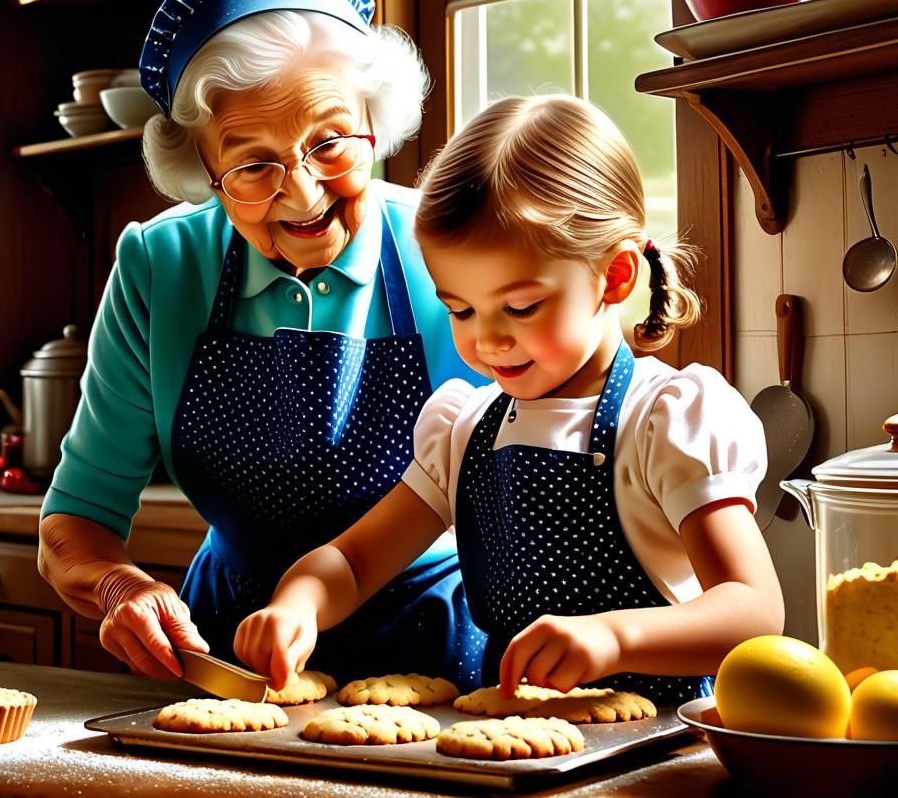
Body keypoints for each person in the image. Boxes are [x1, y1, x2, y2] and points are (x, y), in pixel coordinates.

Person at [37, 0, 488, 689]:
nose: (303, 193)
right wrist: (120, 585)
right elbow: (75, 518)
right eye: (252, 165)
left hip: (431, 639)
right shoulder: (160, 265)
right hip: (228, 648)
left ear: (376, 124)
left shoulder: (449, 248)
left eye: (331, 142)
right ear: (204, 171)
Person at [235, 94, 785, 705]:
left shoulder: (662, 421)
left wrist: (615, 637)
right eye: (460, 310)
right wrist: (299, 604)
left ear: (616, 276)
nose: (487, 339)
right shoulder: (465, 431)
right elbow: (355, 560)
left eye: (520, 308)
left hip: (654, 745)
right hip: (508, 738)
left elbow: (754, 611)